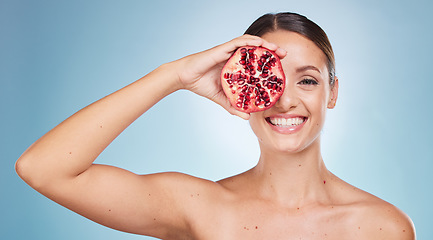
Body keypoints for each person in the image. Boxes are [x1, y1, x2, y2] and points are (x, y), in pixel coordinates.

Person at [15, 12, 415, 239]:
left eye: (307, 80)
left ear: (332, 92)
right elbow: (43, 169)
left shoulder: (380, 226)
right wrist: (174, 75)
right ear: (241, 88)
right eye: (268, 78)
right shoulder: (199, 208)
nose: (286, 98)